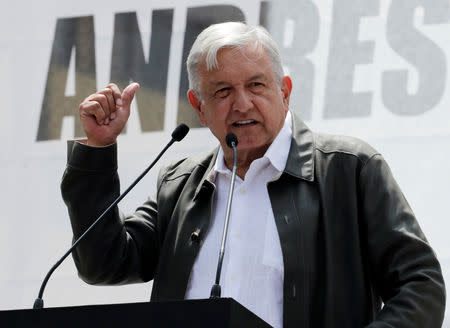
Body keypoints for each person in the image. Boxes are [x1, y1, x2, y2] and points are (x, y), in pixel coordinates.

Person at [62, 22, 445, 328]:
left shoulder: (350, 168)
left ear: (285, 91)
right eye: (223, 91)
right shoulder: (180, 186)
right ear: (199, 106)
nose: (242, 103)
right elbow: (104, 264)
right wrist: (97, 149)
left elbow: (420, 286)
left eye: (256, 85)